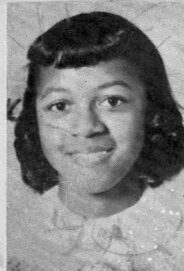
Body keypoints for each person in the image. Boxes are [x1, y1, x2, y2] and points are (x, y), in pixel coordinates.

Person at [11, 11, 184, 270]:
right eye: (60, 105)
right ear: (34, 120)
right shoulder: (18, 241)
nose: (86, 127)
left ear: (151, 111)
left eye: (112, 101)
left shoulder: (176, 232)